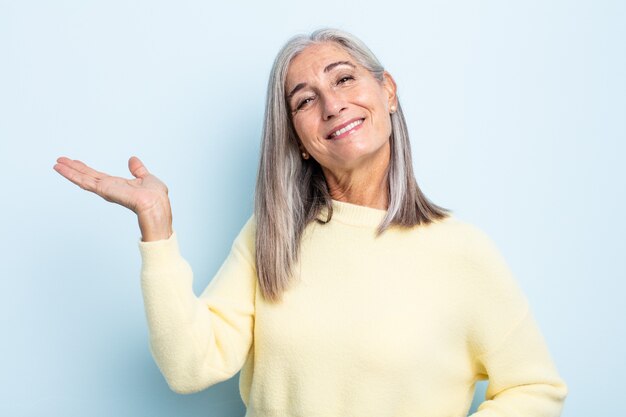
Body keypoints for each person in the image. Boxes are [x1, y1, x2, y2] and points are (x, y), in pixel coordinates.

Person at [54, 28, 567, 417]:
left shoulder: (462, 251)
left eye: (344, 78)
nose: (332, 103)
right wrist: (157, 227)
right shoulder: (270, 238)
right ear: (298, 140)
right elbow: (190, 366)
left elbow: (534, 387)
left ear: (387, 91)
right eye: (305, 99)